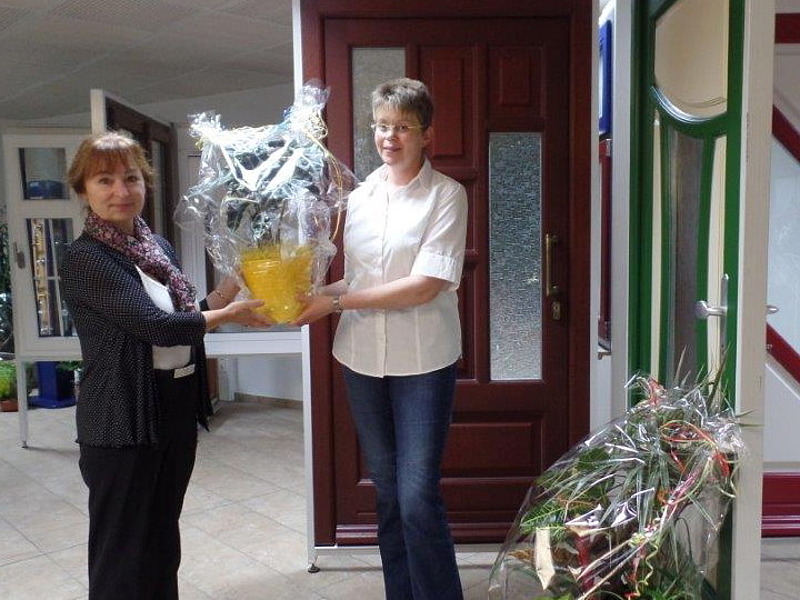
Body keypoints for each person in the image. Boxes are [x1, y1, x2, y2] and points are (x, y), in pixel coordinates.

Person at [60, 131, 269, 600]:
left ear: (145, 183)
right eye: (105, 180)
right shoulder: (86, 259)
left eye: (131, 178)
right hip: (122, 418)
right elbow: (157, 326)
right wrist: (228, 316)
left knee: (160, 542)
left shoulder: (156, 248)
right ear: (83, 190)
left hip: (171, 409)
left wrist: (233, 284)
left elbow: (185, 315)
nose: (121, 190)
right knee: (122, 553)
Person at [295, 78, 468, 600]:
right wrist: (311, 297)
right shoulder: (361, 197)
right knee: (389, 494)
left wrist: (334, 304)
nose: (389, 137)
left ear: (426, 134)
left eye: (403, 127)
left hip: (424, 361)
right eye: (382, 126)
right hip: (362, 358)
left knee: (416, 496)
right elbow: (358, 280)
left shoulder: (446, 195)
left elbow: (425, 285)